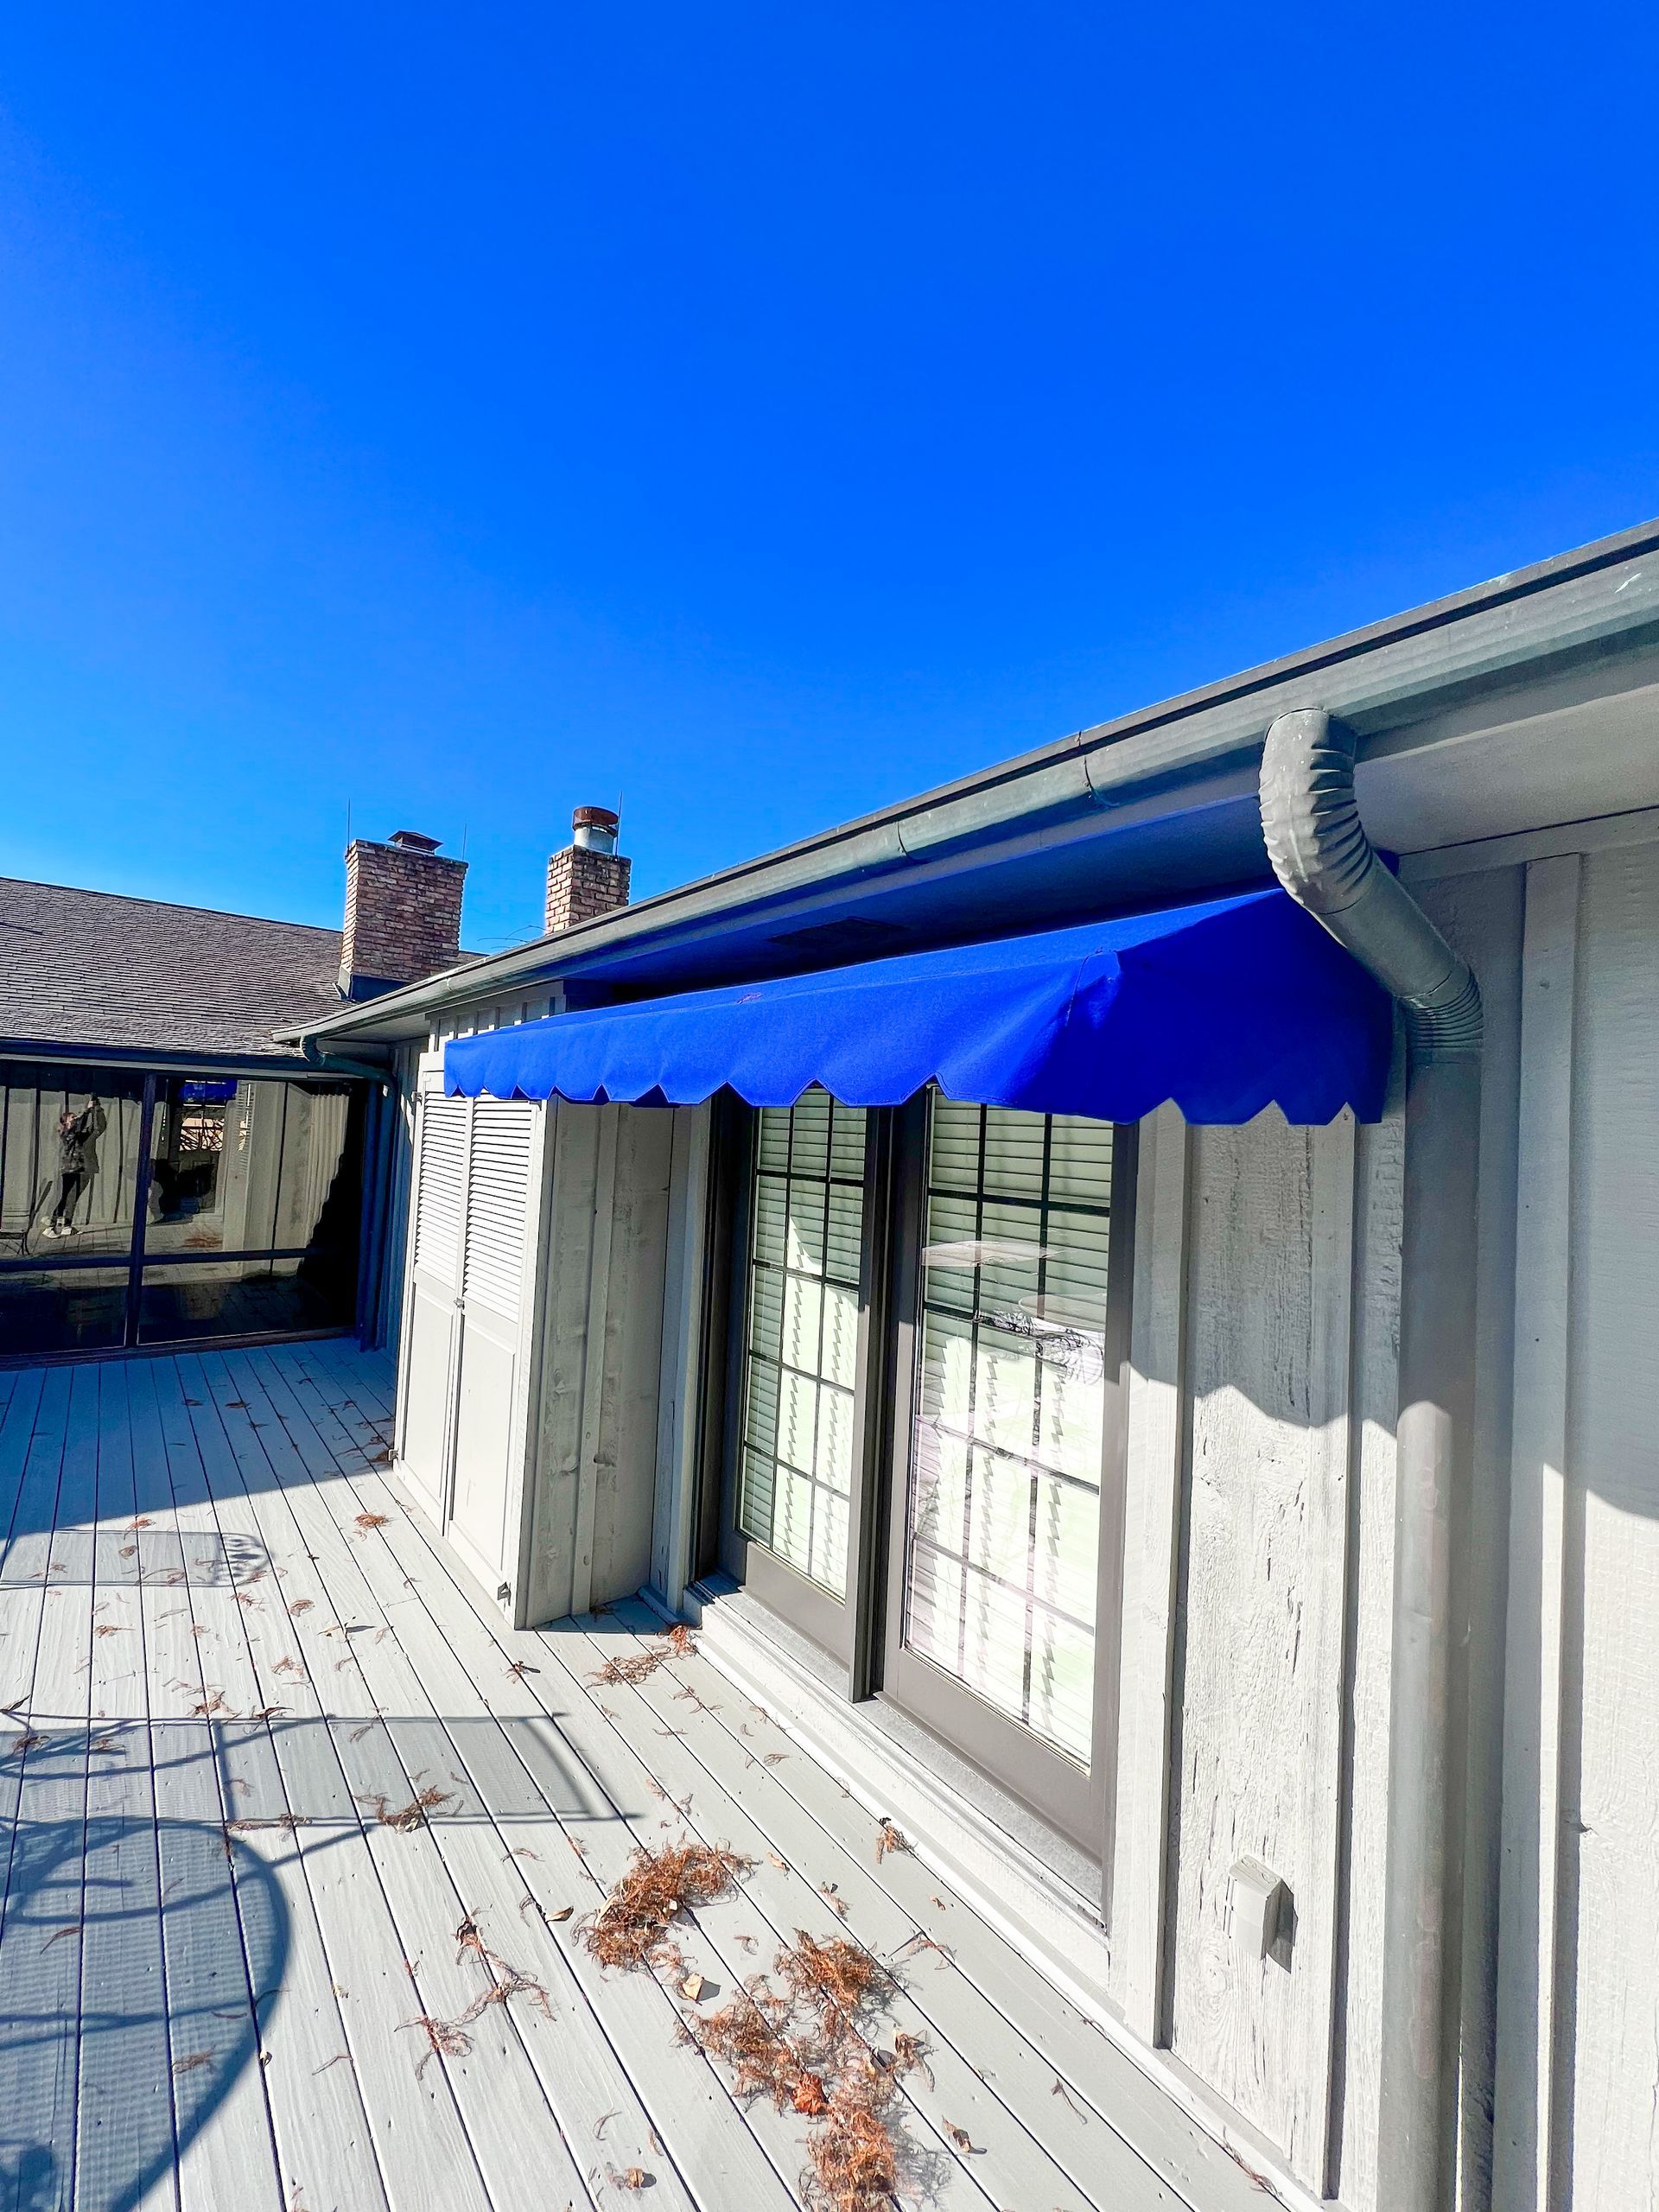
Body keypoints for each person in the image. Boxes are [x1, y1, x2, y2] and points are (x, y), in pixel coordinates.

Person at [45, 1101, 99, 1236]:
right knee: (65, 1198)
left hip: (76, 1169)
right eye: (72, 1118)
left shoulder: (73, 1133)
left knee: (70, 1198)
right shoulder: (67, 1132)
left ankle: (67, 1226)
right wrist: (87, 1110)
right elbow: (79, 1123)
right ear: (66, 1122)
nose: (75, 1119)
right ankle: (50, 1227)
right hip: (69, 1170)